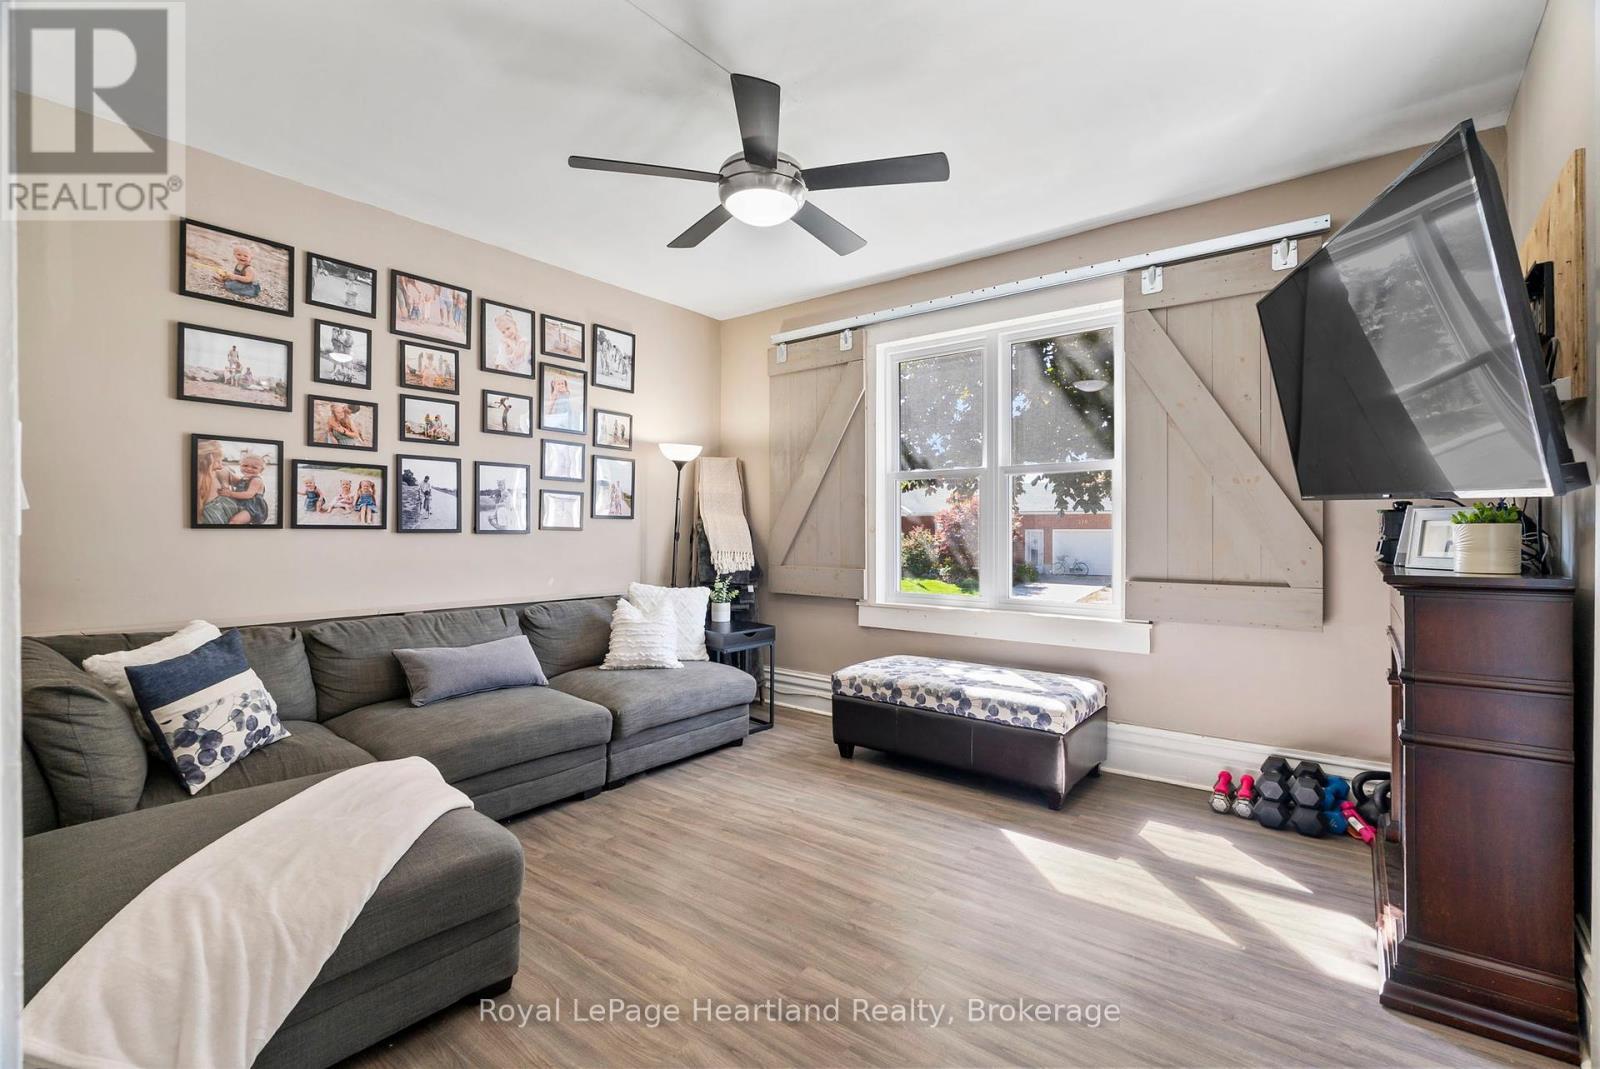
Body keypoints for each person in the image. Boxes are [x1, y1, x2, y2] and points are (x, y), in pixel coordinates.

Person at [212, 452, 270, 525]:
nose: (249, 468)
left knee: (235, 521)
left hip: (252, 508)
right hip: (241, 504)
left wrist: (230, 493)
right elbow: (234, 481)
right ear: (240, 466)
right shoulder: (244, 478)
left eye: (254, 467)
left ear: (261, 470)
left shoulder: (256, 480)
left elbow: (248, 495)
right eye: (245, 465)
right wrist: (223, 469)